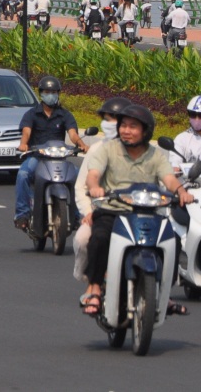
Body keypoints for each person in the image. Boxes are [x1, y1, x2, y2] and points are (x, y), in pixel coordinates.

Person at [79, 104, 193, 316]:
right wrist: (94, 187)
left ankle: (165, 293)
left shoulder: (156, 155)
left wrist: (180, 191)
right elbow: (93, 174)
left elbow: (168, 178)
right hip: (113, 211)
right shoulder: (108, 149)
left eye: (133, 126)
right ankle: (94, 288)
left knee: (173, 240)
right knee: (99, 238)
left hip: (148, 213)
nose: (126, 130)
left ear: (145, 131)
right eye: (123, 125)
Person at [14, 75, 88, 229]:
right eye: (47, 91)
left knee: (80, 176)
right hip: (37, 157)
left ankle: (76, 215)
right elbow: (26, 132)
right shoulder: (32, 114)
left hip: (59, 159)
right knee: (22, 175)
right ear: (41, 93)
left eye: (54, 92)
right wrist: (23, 144)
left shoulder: (64, 114)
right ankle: (22, 214)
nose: (51, 95)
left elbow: (73, 134)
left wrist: (82, 144)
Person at [71, 97, 131, 283]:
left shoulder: (139, 150)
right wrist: (88, 212)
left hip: (134, 214)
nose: (108, 124)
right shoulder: (96, 149)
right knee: (82, 239)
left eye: (113, 119)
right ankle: (90, 281)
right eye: (106, 119)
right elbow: (81, 187)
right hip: (101, 213)